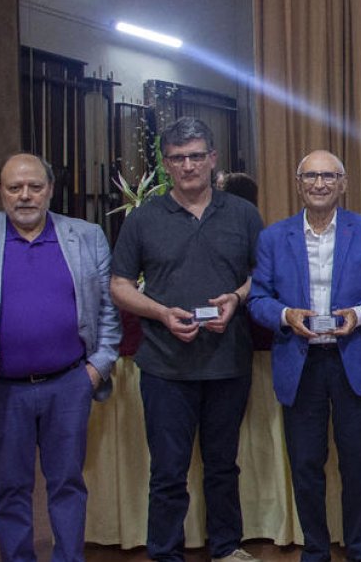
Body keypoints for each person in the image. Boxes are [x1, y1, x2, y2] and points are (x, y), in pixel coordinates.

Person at [0, 153, 121, 562]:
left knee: (67, 485)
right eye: (14, 187)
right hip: (3, 391)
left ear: (50, 190)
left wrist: (97, 368)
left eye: (35, 187)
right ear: (1, 191)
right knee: (9, 489)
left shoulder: (86, 235)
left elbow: (108, 311)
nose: (25, 196)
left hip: (69, 385)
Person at [110, 118, 265, 562]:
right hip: (165, 366)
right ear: (166, 164)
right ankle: (164, 552)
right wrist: (160, 312)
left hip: (226, 362)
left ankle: (226, 548)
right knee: (168, 472)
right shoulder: (143, 218)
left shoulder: (243, 214)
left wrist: (236, 299)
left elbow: (263, 277)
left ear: (213, 159)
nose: (189, 165)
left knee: (222, 466)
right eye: (178, 158)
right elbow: (119, 285)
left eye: (197, 155)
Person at [249, 150, 361, 562]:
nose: (320, 183)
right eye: (311, 176)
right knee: (307, 465)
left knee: (357, 465)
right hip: (300, 363)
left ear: (343, 184)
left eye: (329, 176)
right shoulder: (274, 236)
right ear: (298, 184)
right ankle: (315, 551)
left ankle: (360, 551)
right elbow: (257, 299)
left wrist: (359, 316)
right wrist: (285, 315)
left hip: (353, 360)